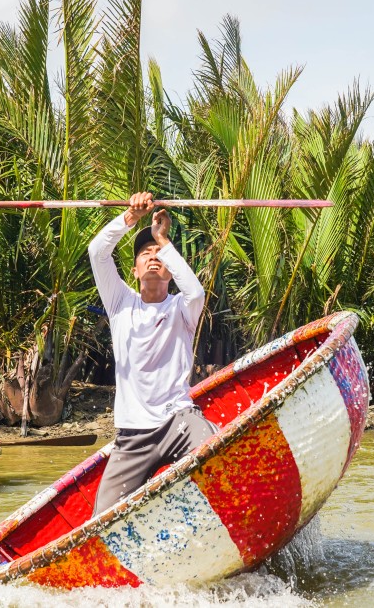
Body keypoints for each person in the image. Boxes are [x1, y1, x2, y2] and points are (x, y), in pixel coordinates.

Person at [88, 191, 217, 514]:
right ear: (133, 271)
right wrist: (131, 217)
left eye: (160, 254)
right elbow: (97, 252)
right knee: (101, 517)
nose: (154, 257)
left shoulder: (182, 309)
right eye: (146, 253)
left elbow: (196, 290)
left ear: (170, 270)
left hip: (179, 422)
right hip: (133, 435)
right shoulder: (120, 303)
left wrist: (162, 237)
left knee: (219, 456)